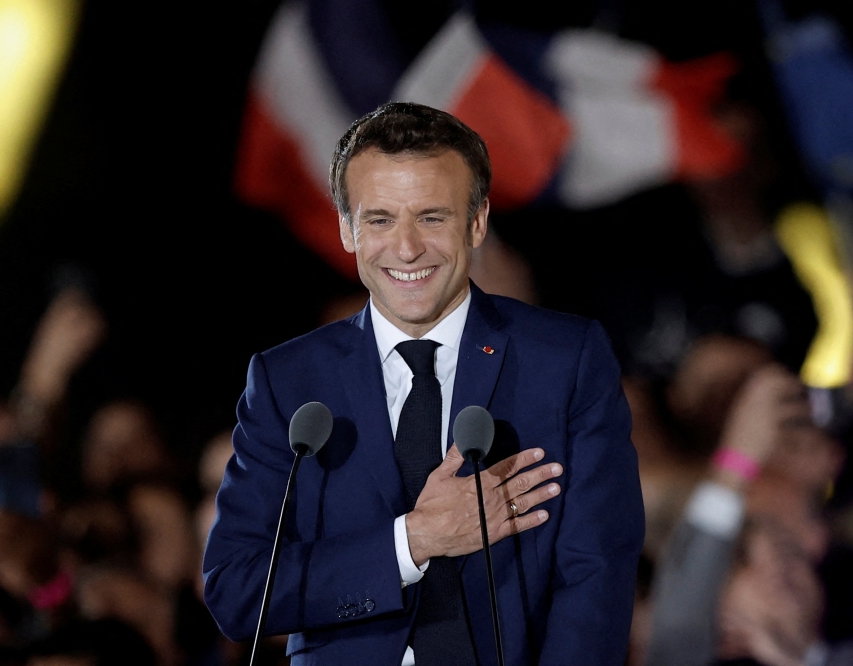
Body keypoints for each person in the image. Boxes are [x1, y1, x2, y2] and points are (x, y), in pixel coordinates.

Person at [202, 102, 644, 665]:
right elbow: (238, 590)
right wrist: (413, 541)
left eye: (432, 218)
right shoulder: (288, 381)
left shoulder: (564, 359)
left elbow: (597, 572)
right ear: (346, 229)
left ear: (476, 222)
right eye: (380, 220)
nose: (407, 248)